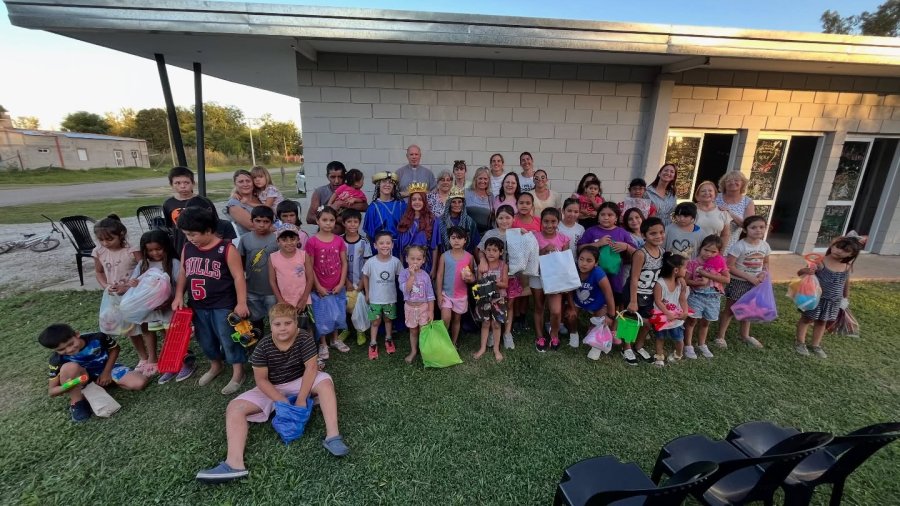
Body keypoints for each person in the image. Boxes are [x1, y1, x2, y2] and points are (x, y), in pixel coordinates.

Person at [195, 303, 349, 483]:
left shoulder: (304, 338)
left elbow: (311, 368)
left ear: (295, 323)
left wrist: (300, 398)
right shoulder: (262, 347)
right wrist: (281, 400)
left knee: (325, 383)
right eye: (277, 324)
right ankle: (234, 463)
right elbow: (261, 380)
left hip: (299, 380)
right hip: (272, 386)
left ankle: (332, 436)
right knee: (234, 407)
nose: (283, 328)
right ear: (271, 325)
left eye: (287, 323)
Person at [173, 206, 249, 395]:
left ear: (208, 229)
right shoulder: (188, 247)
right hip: (198, 304)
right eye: (186, 234)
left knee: (229, 338)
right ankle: (216, 365)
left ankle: (238, 372)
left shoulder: (226, 248)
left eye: (193, 234)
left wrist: (241, 302)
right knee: (205, 339)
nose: (190, 238)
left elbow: (239, 276)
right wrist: (178, 295)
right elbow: (183, 271)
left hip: (223, 304)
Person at [39, 323, 148, 422]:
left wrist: (107, 372)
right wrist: (75, 382)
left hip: (106, 369)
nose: (69, 350)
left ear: (77, 334)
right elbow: (52, 391)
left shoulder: (98, 337)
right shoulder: (56, 360)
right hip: (81, 378)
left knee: (139, 383)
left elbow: (115, 349)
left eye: (71, 344)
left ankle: (99, 386)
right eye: (61, 349)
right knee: (69, 367)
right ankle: (77, 401)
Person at [795, 235, 862, 358]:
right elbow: (800, 273)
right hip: (815, 299)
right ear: (832, 246)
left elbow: (845, 283)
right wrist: (807, 271)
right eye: (838, 247)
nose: (839, 251)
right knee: (806, 319)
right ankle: (800, 342)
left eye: (846, 251)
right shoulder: (820, 262)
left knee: (822, 322)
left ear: (851, 255)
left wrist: (845, 298)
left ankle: (816, 345)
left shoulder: (847, 267)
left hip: (833, 301)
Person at [126, 230, 180, 378]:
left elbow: (181, 284)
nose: (155, 253)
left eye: (158, 249)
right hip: (152, 310)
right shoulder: (143, 264)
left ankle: (180, 360)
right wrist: (134, 282)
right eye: (150, 250)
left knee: (172, 335)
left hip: (169, 308)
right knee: (162, 333)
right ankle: (170, 361)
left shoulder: (173, 263)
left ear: (166, 246)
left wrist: (171, 299)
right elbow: (135, 280)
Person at [92, 214, 143, 365]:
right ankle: (143, 357)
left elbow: (145, 270)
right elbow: (99, 272)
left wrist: (128, 285)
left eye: (109, 239)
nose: (105, 243)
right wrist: (106, 286)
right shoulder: (99, 252)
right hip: (114, 296)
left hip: (134, 295)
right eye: (101, 240)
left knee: (145, 327)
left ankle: (152, 357)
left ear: (121, 234)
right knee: (130, 329)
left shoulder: (132, 251)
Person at [715, 215, 771, 349]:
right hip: (739, 282)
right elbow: (730, 266)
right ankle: (720, 336)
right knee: (730, 309)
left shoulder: (765, 245)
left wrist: (764, 273)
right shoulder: (739, 246)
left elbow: (766, 263)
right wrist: (749, 277)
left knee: (748, 309)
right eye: (753, 227)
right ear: (745, 230)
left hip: (755, 283)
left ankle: (745, 335)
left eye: (761, 227)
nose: (758, 230)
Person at [305, 207, 349, 360]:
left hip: (337, 285)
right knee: (322, 316)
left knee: (337, 314)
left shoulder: (339, 240)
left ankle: (335, 339)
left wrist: (342, 282)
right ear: (317, 221)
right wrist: (317, 286)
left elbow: (344, 262)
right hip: (321, 286)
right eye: (324, 220)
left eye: (331, 220)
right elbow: (309, 266)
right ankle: (323, 343)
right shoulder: (312, 242)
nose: (328, 223)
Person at [578, 203, 638, 311]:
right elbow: (579, 249)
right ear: (598, 216)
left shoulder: (622, 233)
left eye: (610, 215)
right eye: (602, 214)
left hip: (616, 277)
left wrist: (627, 246)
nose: (606, 217)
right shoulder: (591, 231)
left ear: (616, 218)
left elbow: (637, 254)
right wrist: (597, 244)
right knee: (596, 305)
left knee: (615, 303)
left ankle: (612, 325)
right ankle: (596, 324)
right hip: (593, 278)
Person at [162, 166, 236, 254]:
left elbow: (214, 223)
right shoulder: (168, 203)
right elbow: (171, 227)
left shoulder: (203, 202)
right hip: (181, 248)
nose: (183, 186)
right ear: (171, 185)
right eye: (177, 183)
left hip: (204, 247)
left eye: (186, 182)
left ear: (193, 183)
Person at [477, 205, 520, 350]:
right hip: (492, 273)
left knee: (508, 305)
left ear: (513, 219)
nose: (504, 221)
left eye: (508, 217)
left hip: (511, 274)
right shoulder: (490, 233)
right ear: (496, 219)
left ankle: (507, 333)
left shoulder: (517, 233)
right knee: (491, 302)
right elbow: (480, 250)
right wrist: (482, 260)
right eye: (501, 217)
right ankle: (490, 331)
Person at [626, 216, 666, 366]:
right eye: (653, 233)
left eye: (661, 232)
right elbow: (634, 278)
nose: (658, 236)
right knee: (631, 321)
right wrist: (633, 300)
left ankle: (639, 346)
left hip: (649, 295)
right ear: (644, 235)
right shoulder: (640, 253)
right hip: (635, 293)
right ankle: (627, 348)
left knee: (647, 323)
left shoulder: (662, 252)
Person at [683, 235, 730, 359]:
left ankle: (702, 344)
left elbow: (727, 279)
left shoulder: (720, 262)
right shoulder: (693, 263)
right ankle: (688, 345)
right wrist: (699, 283)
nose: (709, 254)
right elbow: (686, 281)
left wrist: (705, 274)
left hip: (713, 297)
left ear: (719, 252)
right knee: (692, 320)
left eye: (713, 251)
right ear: (700, 248)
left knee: (705, 322)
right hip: (696, 296)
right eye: (706, 250)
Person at [565, 246, 616, 359]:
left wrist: (610, 315)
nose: (584, 263)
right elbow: (569, 291)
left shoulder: (599, 273)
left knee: (601, 324)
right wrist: (571, 307)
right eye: (581, 259)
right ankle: (574, 333)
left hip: (598, 303)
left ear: (596, 263)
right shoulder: (573, 269)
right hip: (578, 301)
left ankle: (596, 347)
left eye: (589, 260)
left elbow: (609, 294)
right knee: (570, 315)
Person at [531, 208, 569, 352]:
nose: (549, 225)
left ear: (558, 222)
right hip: (538, 276)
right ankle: (540, 336)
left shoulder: (563, 238)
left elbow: (566, 261)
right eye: (546, 221)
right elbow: (530, 259)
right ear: (541, 222)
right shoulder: (534, 237)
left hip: (555, 278)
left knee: (556, 311)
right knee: (539, 307)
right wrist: (543, 250)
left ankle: (554, 333)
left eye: (553, 221)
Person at [238, 206, 279, 337]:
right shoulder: (245, 239)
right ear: (252, 221)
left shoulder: (276, 239)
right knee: (255, 320)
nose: (262, 225)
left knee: (275, 319)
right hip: (252, 289)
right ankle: (258, 342)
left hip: (272, 290)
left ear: (271, 222)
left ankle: (276, 343)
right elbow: (241, 262)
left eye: (266, 221)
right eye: (258, 221)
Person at [361, 231, 402, 360]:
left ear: (392, 245)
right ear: (375, 245)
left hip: (390, 299)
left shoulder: (395, 262)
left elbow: (401, 278)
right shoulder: (371, 262)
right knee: (375, 322)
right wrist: (367, 293)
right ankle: (373, 343)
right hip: (375, 299)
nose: (385, 246)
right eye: (381, 243)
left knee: (388, 320)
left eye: (388, 243)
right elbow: (365, 277)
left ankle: (388, 339)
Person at [435, 226, 476, 346]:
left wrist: (470, 278)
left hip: (461, 295)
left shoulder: (469, 257)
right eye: (453, 238)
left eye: (459, 238)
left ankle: (453, 342)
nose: (456, 241)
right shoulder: (444, 256)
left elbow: (473, 277)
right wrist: (439, 295)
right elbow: (439, 275)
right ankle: (443, 341)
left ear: (465, 240)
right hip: (446, 294)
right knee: (446, 317)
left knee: (457, 319)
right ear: (449, 240)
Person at [398, 245, 436, 364]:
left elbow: (430, 295)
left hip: (423, 307)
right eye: (412, 258)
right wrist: (412, 275)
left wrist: (431, 311)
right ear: (406, 259)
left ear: (423, 260)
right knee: (413, 331)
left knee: (423, 330)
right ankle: (414, 351)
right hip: (409, 308)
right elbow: (406, 290)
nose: (415, 261)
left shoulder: (425, 275)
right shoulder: (404, 274)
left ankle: (424, 351)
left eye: (418, 259)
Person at [338, 209, 371, 346]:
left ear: (359, 223)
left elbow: (367, 264)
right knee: (342, 304)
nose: (352, 225)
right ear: (343, 223)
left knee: (358, 304)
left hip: (359, 281)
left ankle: (359, 330)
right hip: (342, 281)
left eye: (355, 222)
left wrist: (361, 283)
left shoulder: (364, 242)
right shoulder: (339, 241)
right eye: (349, 222)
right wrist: (346, 281)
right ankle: (345, 329)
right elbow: (337, 264)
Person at [652, 252, 690, 366]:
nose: (686, 270)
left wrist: (685, 311)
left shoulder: (681, 283)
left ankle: (678, 354)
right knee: (660, 337)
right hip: (662, 316)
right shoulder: (660, 283)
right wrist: (667, 313)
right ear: (676, 270)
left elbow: (682, 299)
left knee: (678, 338)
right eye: (685, 268)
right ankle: (659, 356)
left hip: (676, 317)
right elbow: (658, 300)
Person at [474, 237, 508, 362]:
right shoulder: (482, 266)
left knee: (496, 324)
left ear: (501, 252)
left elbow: (505, 284)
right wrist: (484, 282)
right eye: (488, 250)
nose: (491, 253)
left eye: (494, 250)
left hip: (498, 300)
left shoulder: (503, 266)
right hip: (484, 300)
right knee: (485, 323)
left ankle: (496, 349)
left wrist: (495, 282)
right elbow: (478, 282)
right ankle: (482, 348)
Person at [306, 161, 367, 229]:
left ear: (345, 177)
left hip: (348, 235)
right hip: (326, 235)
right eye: (332, 177)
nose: (336, 181)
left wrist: (341, 204)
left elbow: (365, 207)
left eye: (340, 177)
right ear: (327, 176)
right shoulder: (319, 192)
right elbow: (310, 218)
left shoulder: (353, 190)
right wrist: (337, 219)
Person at [432, 186, 480, 271]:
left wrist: (479, 264)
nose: (457, 205)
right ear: (449, 203)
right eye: (453, 202)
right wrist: (434, 268)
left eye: (459, 202)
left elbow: (475, 245)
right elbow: (436, 246)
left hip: (465, 262)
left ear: (463, 203)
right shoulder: (440, 222)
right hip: (446, 262)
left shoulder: (469, 222)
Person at [268, 224, 313, 312]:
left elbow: (310, 278)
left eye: (292, 239)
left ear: (298, 240)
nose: (289, 242)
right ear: (278, 241)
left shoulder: (303, 255)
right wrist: (280, 301)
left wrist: (304, 299)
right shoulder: (273, 258)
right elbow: (272, 281)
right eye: (284, 240)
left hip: (303, 301)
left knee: (303, 324)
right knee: (287, 324)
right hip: (284, 301)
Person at [363, 171, 406, 258]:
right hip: (380, 249)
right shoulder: (373, 207)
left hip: (399, 249)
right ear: (378, 185)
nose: (387, 185)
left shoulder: (401, 205)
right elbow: (369, 235)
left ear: (394, 186)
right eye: (384, 182)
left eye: (390, 182)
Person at [397, 183, 435, 273]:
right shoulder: (404, 220)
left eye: (420, 199)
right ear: (410, 202)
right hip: (407, 264)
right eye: (414, 199)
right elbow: (400, 247)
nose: (417, 202)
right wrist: (402, 267)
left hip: (425, 264)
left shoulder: (432, 220)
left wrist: (433, 268)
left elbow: (435, 246)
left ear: (424, 201)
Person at [716, 171, 756, 254]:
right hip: (709, 241)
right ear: (724, 184)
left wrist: (729, 213)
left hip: (730, 245)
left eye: (736, 180)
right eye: (729, 180)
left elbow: (748, 226)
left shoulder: (747, 202)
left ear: (743, 183)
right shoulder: (715, 197)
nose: (733, 182)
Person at [225, 169, 262, 235]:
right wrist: (279, 229)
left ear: (253, 183)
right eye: (241, 182)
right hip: (253, 242)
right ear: (235, 184)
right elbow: (253, 226)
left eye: (248, 181)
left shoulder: (260, 196)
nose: (245, 184)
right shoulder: (234, 204)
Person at [694, 181, 731, 247]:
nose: (707, 193)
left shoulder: (723, 212)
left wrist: (720, 253)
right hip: (691, 250)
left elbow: (725, 235)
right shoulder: (690, 210)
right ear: (697, 195)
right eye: (703, 191)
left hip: (712, 251)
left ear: (715, 195)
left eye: (710, 190)